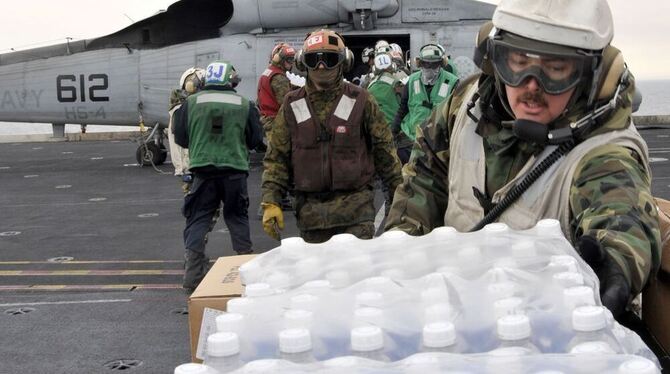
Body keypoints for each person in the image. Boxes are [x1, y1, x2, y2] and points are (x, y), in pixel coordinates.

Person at [385, 0, 661, 320]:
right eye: (518, 61)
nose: (531, 87)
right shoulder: (463, 106)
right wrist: (398, 256)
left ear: (595, 77)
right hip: (453, 315)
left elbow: (621, 214)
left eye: (555, 69)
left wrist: (616, 265)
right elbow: (423, 180)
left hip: (546, 328)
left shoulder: (604, 152)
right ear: (494, 60)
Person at [261, 29, 403, 243]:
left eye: (329, 59)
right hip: (311, 217)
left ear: (343, 61)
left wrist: (400, 199)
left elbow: (385, 153)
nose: (321, 67)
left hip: (356, 214)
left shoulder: (361, 100)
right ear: (303, 62)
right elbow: (277, 158)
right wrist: (271, 201)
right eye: (313, 60)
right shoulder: (292, 104)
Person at [174, 60, 263, 292]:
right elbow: (255, 141)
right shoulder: (244, 104)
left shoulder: (190, 103)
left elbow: (181, 139)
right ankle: (246, 271)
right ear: (230, 80)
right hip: (234, 172)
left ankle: (192, 277)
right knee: (237, 218)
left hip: (202, 172)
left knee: (198, 219)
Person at [391, 44, 459, 164]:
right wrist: (393, 131)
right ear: (420, 64)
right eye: (426, 64)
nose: (429, 68)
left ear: (442, 63)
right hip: (412, 138)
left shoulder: (452, 83)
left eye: (434, 64)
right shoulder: (412, 81)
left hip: (438, 142)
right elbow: (403, 109)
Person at [168, 67, 205, 192]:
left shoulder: (185, 108)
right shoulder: (184, 109)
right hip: (200, 164)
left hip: (196, 164)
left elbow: (179, 139)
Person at [257, 43, 296, 138]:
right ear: (280, 60)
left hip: (266, 120)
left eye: (292, 59)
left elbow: (259, 101)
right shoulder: (279, 77)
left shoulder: (268, 73)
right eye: (289, 60)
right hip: (276, 123)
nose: (291, 63)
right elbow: (286, 103)